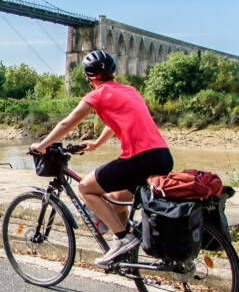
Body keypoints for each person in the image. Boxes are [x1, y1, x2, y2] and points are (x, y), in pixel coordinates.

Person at [30, 50, 173, 267]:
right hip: (162, 156)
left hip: (140, 158)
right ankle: (123, 252)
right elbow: (117, 121)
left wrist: (41, 146)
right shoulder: (129, 90)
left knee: (86, 188)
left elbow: (67, 124)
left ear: (88, 77)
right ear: (112, 71)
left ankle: (124, 239)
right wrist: (97, 143)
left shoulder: (96, 95)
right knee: (116, 201)